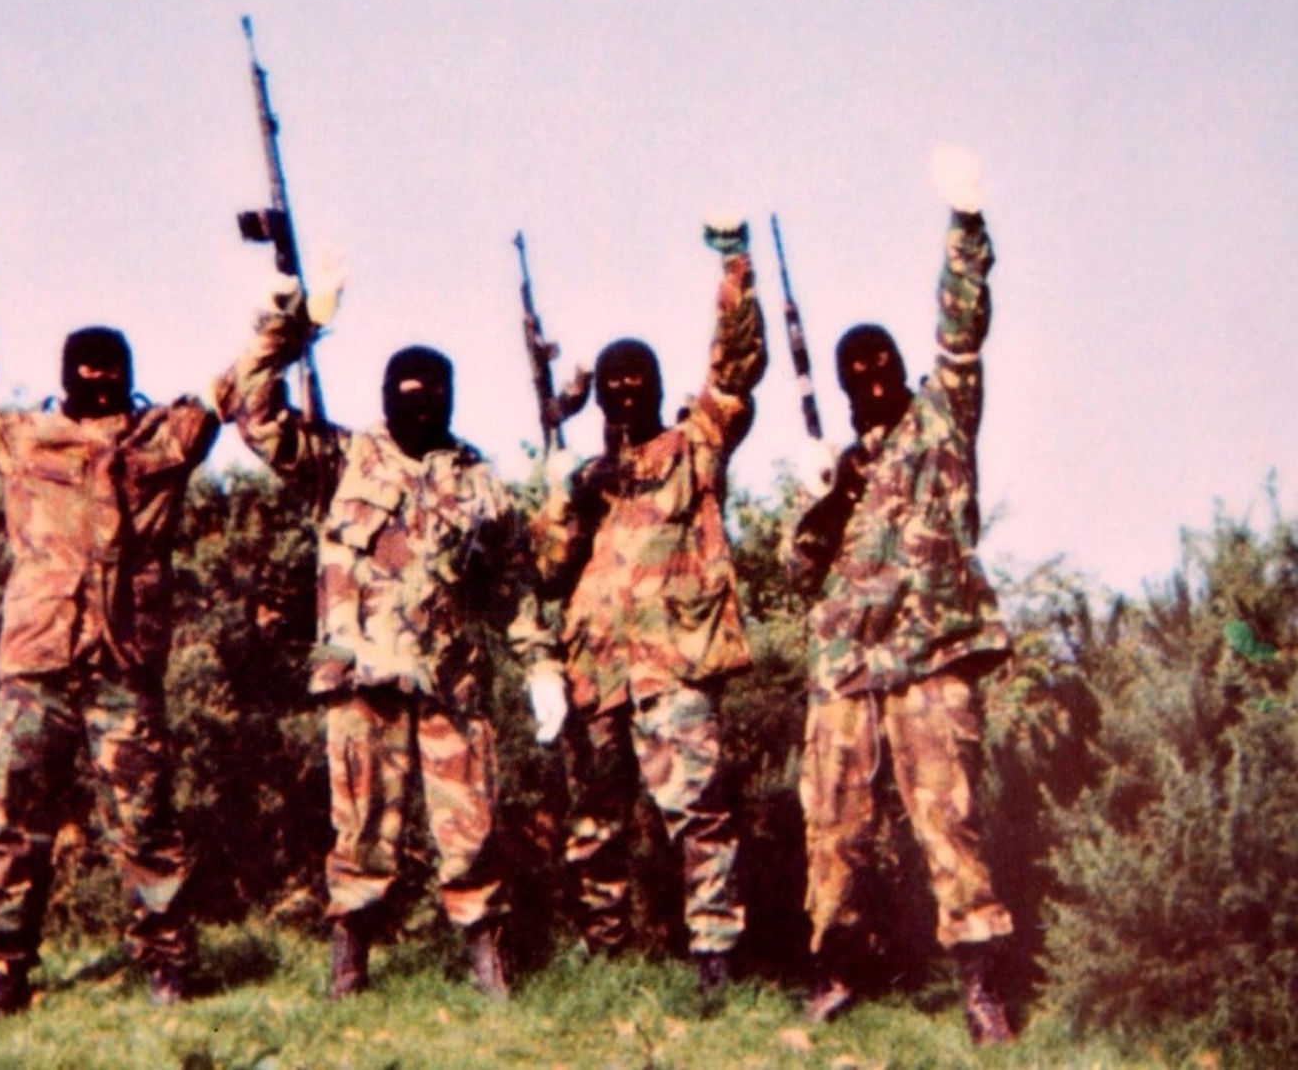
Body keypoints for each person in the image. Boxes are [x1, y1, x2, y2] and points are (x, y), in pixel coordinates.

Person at [220, 280, 559, 1000]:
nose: (419, 402)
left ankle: (487, 960)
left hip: (452, 687)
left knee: (471, 831)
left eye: (433, 391)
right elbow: (246, 407)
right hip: (360, 679)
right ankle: (350, 963)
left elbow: (514, 582)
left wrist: (541, 665)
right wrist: (287, 328)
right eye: (405, 391)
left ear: (451, 397)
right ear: (384, 395)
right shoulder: (339, 461)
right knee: (362, 831)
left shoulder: (481, 481)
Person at [0, 258, 220, 1023]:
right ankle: (7, 974)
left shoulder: (164, 439)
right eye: (85, 371)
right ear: (64, 375)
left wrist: (286, 316)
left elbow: (232, 389)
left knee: (147, 824)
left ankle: (168, 968)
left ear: (129, 375)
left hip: (123, 666)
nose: (99, 381)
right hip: (37, 665)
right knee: (18, 828)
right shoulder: (25, 438)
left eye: (111, 371)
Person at [784, 149, 1015, 1045]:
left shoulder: (941, 421)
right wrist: (828, 494)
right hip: (845, 671)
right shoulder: (837, 469)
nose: (871, 371)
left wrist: (966, 230)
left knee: (948, 825)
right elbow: (803, 572)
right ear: (842, 386)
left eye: (882, 358)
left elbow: (962, 332)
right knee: (831, 827)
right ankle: (836, 972)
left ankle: (981, 989)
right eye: (855, 366)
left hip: (930, 658)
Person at [530, 220, 766, 994]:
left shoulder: (692, 448)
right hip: (595, 675)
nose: (626, 390)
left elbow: (734, 372)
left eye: (639, 379)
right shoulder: (583, 474)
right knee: (593, 828)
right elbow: (545, 567)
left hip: (673, 669)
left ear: (659, 388)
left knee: (697, 814)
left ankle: (713, 960)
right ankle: (604, 958)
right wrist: (566, 492)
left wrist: (734, 265)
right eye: (612, 382)